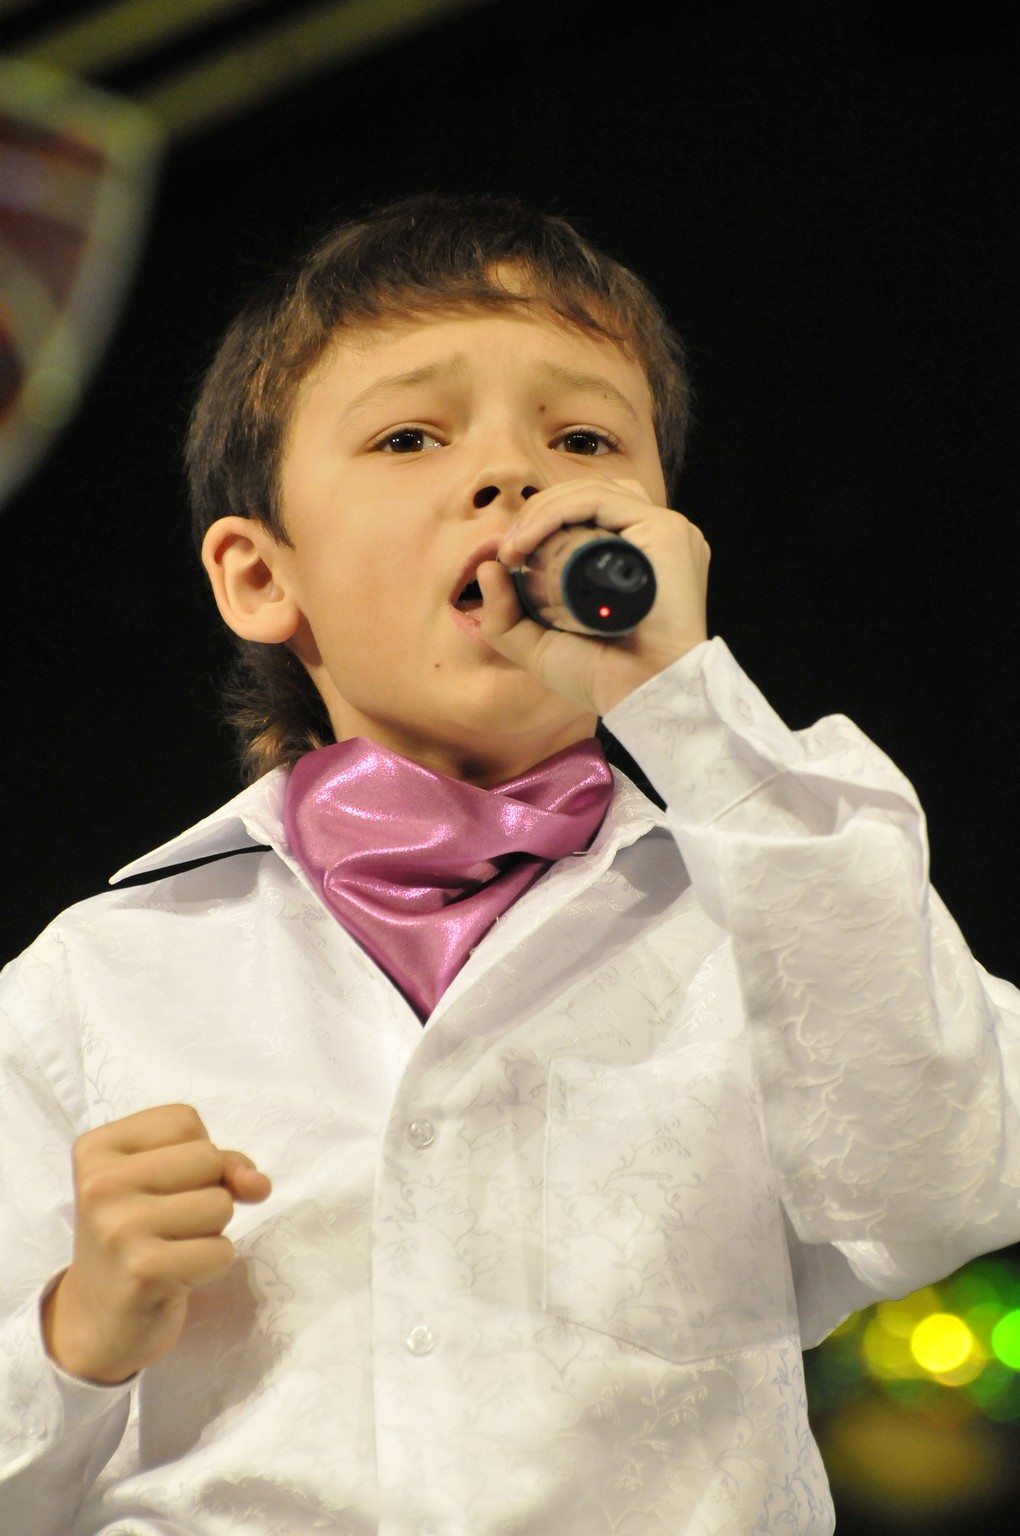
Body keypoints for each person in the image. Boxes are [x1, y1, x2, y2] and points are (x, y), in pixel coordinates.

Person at [1, 192, 1018, 1536]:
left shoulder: (769, 907)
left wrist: (690, 705)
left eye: (582, 439)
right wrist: (76, 1333)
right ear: (259, 578)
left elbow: (947, 1180)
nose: (510, 479)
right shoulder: (100, 980)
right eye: (410, 437)